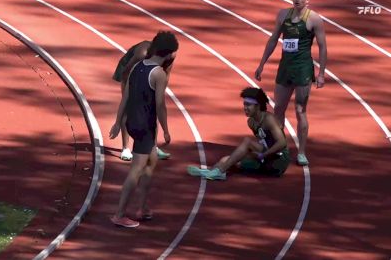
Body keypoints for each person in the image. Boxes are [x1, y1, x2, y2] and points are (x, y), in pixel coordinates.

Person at [109, 31, 179, 227]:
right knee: (137, 169)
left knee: (151, 160)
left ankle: (142, 207)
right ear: (170, 54)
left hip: (132, 121)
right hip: (145, 126)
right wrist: (165, 130)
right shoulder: (159, 74)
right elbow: (160, 105)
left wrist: (117, 122)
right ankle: (119, 214)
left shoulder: (138, 66)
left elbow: (125, 97)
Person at [254, 0, 327, 166]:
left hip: (303, 69)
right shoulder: (282, 15)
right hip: (285, 68)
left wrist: (322, 73)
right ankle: (279, 147)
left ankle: (301, 152)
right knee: (279, 108)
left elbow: (323, 47)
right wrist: (262, 63)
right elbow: (273, 40)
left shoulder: (314, 19)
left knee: (300, 111)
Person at [187, 88, 290, 180]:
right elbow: (263, 141)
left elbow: (282, 142)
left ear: (258, 106)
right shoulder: (251, 122)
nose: (245, 108)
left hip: (279, 160)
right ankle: (211, 171)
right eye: (244, 104)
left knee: (247, 142)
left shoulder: (269, 119)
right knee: (228, 159)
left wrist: (263, 154)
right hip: (266, 157)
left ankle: (219, 172)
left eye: (248, 105)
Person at [112, 37, 173, 161]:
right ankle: (125, 148)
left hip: (148, 72)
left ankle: (153, 147)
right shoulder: (142, 53)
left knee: (153, 106)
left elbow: (166, 75)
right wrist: (128, 94)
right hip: (128, 70)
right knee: (129, 106)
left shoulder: (169, 56)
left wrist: (159, 93)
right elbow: (126, 72)